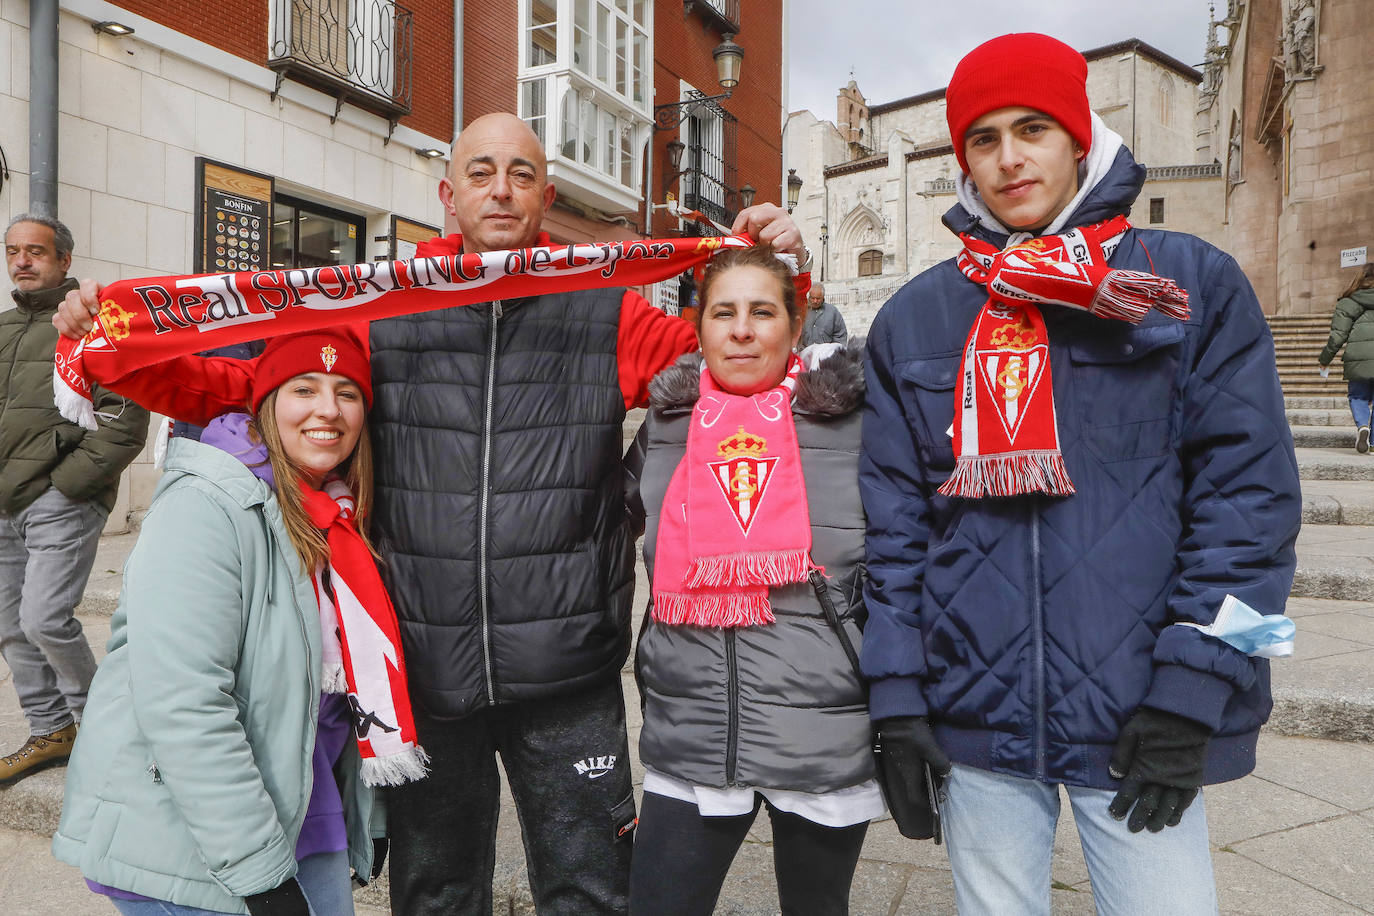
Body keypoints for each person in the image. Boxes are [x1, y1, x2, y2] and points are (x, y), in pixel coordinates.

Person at [54, 111, 807, 915]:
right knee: (436, 895)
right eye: (481, 172)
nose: (501, 188)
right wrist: (113, 353)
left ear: (544, 196)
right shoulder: (382, 302)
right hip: (424, 666)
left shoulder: (605, 310)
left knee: (592, 892)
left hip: (570, 669)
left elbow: (743, 356)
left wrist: (783, 270)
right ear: (449, 193)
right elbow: (252, 388)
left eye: (520, 174)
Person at [860, 33, 1300, 915]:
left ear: (1078, 136)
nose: (1010, 157)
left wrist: (1193, 687)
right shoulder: (915, 319)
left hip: (1139, 711)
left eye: (1033, 128)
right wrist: (897, 699)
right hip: (972, 711)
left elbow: (1246, 503)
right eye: (983, 139)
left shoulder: (1186, 285)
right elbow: (894, 528)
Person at [52, 327, 418, 915]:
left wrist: (361, 814)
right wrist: (261, 880)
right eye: (305, 388)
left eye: (347, 392)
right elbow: (184, 703)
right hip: (190, 836)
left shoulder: (337, 513)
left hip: (302, 807)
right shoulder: (208, 506)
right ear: (266, 401)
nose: (328, 409)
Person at [624, 245, 879, 916]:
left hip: (820, 732)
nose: (741, 329)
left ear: (796, 328)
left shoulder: (853, 424)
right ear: (698, 326)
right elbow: (599, 525)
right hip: (693, 729)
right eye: (723, 312)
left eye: (763, 312)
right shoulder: (667, 424)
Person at [0, 214, 148, 784]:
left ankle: (99, 728)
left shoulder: (93, 326)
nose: (22, 261)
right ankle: (49, 729)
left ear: (64, 261)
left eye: (35, 251)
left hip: (59, 500)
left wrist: (67, 487)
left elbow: (126, 418)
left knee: (44, 618)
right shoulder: (5, 327)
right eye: (13, 251)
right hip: (5, 503)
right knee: (11, 623)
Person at [1318, 263, 1374, 453]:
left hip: (1358, 358)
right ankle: (1373, 442)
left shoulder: (1348, 302)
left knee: (1358, 396)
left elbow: (1338, 336)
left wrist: (1325, 359)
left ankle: (1362, 426)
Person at [800, 282, 848, 348]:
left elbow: (840, 335)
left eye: (818, 298)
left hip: (826, 355)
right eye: (812, 298)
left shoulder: (833, 312)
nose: (815, 301)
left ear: (823, 297)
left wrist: (834, 351)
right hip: (804, 354)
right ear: (809, 296)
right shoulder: (801, 311)